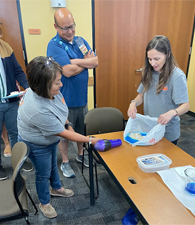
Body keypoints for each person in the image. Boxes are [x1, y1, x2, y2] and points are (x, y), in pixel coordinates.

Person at [17, 56, 101, 218]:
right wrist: (90, 140)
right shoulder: (38, 109)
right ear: (42, 86)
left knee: (51, 165)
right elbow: (62, 133)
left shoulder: (49, 90)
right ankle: (44, 202)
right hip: (35, 144)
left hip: (47, 140)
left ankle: (57, 188)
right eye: (57, 83)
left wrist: (68, 123)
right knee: (43, 173)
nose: (60, 85)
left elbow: (59, 110)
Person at [47, 8, 98, 178]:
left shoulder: (80, 41)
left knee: (81, 130)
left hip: (82, 98)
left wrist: (75, 61)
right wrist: (85, 62)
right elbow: (67, 72)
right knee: (64, 133)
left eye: (72, 26)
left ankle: (81, 156)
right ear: (56, 26)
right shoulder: (53, 45)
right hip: (64, 100)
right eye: (65, 28)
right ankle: (65, 162)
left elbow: (95, 62)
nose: (70, 31)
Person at [127, 35, 189, 145]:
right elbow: (141, 95)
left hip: (168, 132)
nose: (153, 63)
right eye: (149, 59)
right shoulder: (149, 71)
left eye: (157, 59)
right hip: (150, 128)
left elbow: (185, 106)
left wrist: (172, 112)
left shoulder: (177, 76)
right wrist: (133, 103)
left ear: (168, 55)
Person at [0, 22, 29, 180]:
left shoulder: (6, 48)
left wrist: (28, 88)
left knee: (15, 133)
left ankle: (19, 161)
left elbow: (18, 71)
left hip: (10, 102)